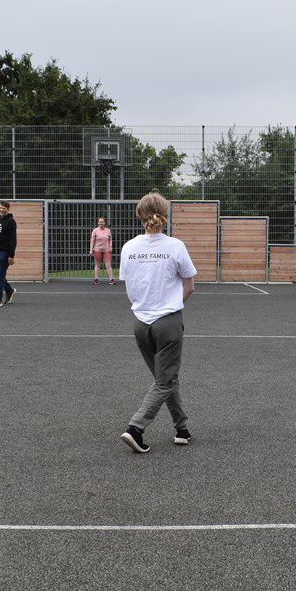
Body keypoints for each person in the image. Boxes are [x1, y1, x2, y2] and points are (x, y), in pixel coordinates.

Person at [118, 191, 197, 453]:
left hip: (140, 323)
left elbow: (130, 284)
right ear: (165, 213)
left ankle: (182, 429)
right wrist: (174, 305)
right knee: (165, 380)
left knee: (165, 378)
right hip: (167, 322)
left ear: (139, 215)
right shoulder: (175, 246)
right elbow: (190, 285)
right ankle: (135, 428)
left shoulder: (129, 247)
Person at [0, 201, 17, 308]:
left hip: (4, 252)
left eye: (4, 208)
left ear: (8, 209)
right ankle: (9, 290)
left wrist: (11, 255)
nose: (1, 210)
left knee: (1, 274)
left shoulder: (11, 221)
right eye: (0, 208)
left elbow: (13, 239)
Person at [90, 216, 115, 285]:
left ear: (104, 222)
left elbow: (110, 239)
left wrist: (110, 247)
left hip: (106, 250)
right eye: (100, 222)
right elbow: (92, 240)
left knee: (108, 265)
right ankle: (96, 279)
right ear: (98, 223)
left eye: (102, 222)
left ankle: (111, 279)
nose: (101, 223)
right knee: (98, 265)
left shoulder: (108, 230)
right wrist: (91, 250)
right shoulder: (95, 230)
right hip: (97, 249)